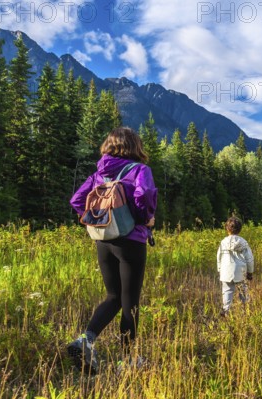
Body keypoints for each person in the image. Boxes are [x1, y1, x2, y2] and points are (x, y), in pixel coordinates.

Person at [67, 127, 157, 373]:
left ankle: (85, 340)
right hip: (131, 241)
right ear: (134, 146)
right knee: (130, 303)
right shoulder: (140, 170)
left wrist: (94, 218)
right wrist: (144, 218)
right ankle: (127, 361)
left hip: (103, 240)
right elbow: (145, 193)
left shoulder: (99, 174)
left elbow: (76, 200)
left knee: (113, 297)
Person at [217, 217, 254, 315]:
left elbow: (219, 257)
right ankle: (245, 310)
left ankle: (225, 310)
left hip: (226, 271)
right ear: (240, 229)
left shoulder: (223, 242)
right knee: (243, 291)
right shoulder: (244, 243)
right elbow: (249, 259)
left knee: (227, 291)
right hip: (240, 272)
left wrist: (220, 269)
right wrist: (250, 272)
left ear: (227, 229)